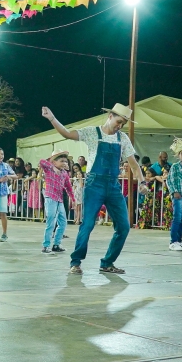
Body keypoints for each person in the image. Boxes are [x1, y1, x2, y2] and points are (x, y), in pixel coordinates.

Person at [42, 104, 141, 275]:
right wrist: (52, 118)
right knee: (87, 224)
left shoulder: (123, 138)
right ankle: (75, 262)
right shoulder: (93, 132)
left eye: (123, 124)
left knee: (124, 227)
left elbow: (134, 164)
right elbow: (67, 133)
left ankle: (107, 263)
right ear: (110, 116)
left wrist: (143, 182)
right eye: (119, 121)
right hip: (94, 185)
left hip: (113, 186)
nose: (120, 126)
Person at [39, 151, 75, 253]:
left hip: (59, 199)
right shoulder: (49, 170)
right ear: (54, 162)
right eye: (62, 161)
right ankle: (46, 245)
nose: (64, 163)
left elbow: (68, 187)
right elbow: (42, 161)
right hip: (50, 198)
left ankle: (56, 244)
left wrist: (73, 198)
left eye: (66, 161)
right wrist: (52, 167)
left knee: (63, 222)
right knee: (51, 221)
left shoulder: (64, 173)